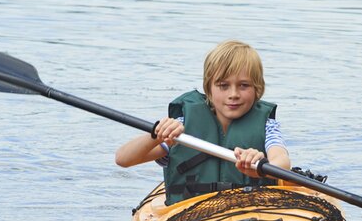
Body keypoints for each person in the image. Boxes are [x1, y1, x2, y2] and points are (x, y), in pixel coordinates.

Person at [115, 40, 291, 205]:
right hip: (190, 214)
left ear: (257, 89)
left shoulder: (267, 126)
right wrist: (156, 135)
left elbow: (282, 161)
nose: (233, 94)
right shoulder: (182, 127)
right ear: (209, 89)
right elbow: (123, 159)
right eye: (223, 86)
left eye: (244, 85)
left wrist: (260, 166)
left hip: (251, 210)